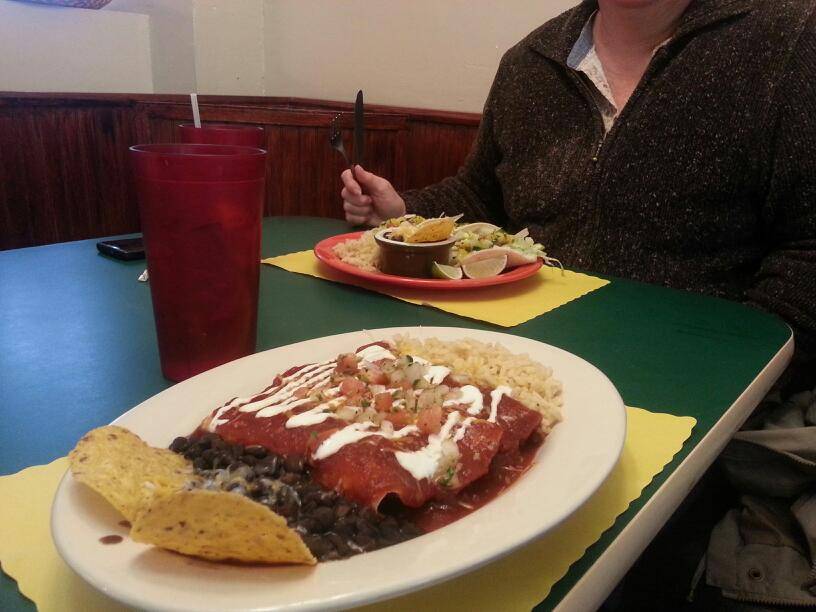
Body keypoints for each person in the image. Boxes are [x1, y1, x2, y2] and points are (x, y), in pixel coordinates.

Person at [341, 0, 816, 608]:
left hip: (699, 415)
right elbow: (482, 194)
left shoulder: (789, 40)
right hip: (526, 379)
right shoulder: (531, 60)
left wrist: (740, 384)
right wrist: (404, 211)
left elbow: (808, 251)